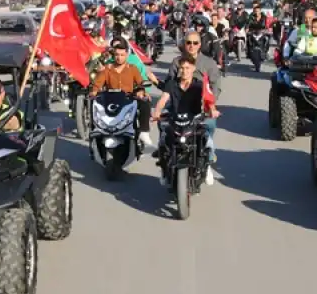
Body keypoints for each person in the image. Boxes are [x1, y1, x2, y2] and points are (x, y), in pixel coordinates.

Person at [152, 53, 220, 186]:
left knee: (207, 141)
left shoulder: (199, 85)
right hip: (175, 119)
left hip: (194, 120)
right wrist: (157, 112)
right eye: (182, 68)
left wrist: (212, 110)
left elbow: (208, 99)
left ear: (193, 68)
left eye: (187, 68)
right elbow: (163, 100)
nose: (184, 71)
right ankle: (164, 170)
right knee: (163, 141)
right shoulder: (172, 84)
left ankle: (207, 166)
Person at [168, 32, 221, 161]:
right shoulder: (176, 62)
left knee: (209, 125)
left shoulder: (209, 63)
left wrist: (210, 105)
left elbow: (215, 86)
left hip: (201, 107)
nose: (192, 46)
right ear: (184, 44)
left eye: (195, 43)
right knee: (165, 126)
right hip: (179, 105)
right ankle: (166, 155)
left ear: (200, 45)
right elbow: (169, 84)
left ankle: (207, 156)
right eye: (188, 43)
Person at [90, 41, 153, 146]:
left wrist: (142, 91)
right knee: (94, 106)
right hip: (110, 99)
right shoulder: (107, 69)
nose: (119, 57)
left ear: (127, 55)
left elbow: (141, 83)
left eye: (122, 55)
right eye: (117, 55)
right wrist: (94, 92)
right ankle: (95, 138)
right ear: (113, 55)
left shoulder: (132, 68)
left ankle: (144, 131)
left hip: (128, 99)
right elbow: (97, 84)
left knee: (145, 102)